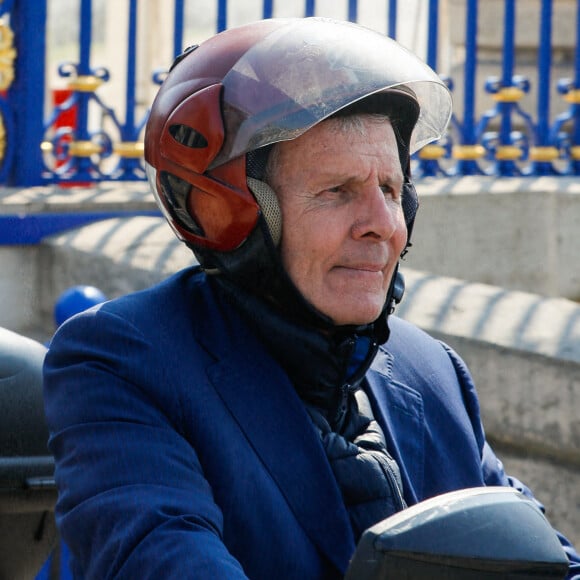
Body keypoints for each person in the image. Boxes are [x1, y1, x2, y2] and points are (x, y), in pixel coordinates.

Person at [43, 17, 580, 579]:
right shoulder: (124, 361)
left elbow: (540, 561)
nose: (382, 225)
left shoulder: (431, 373)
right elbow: (163, 558)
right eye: (337, 192)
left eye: (392, 191)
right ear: (231, 214)